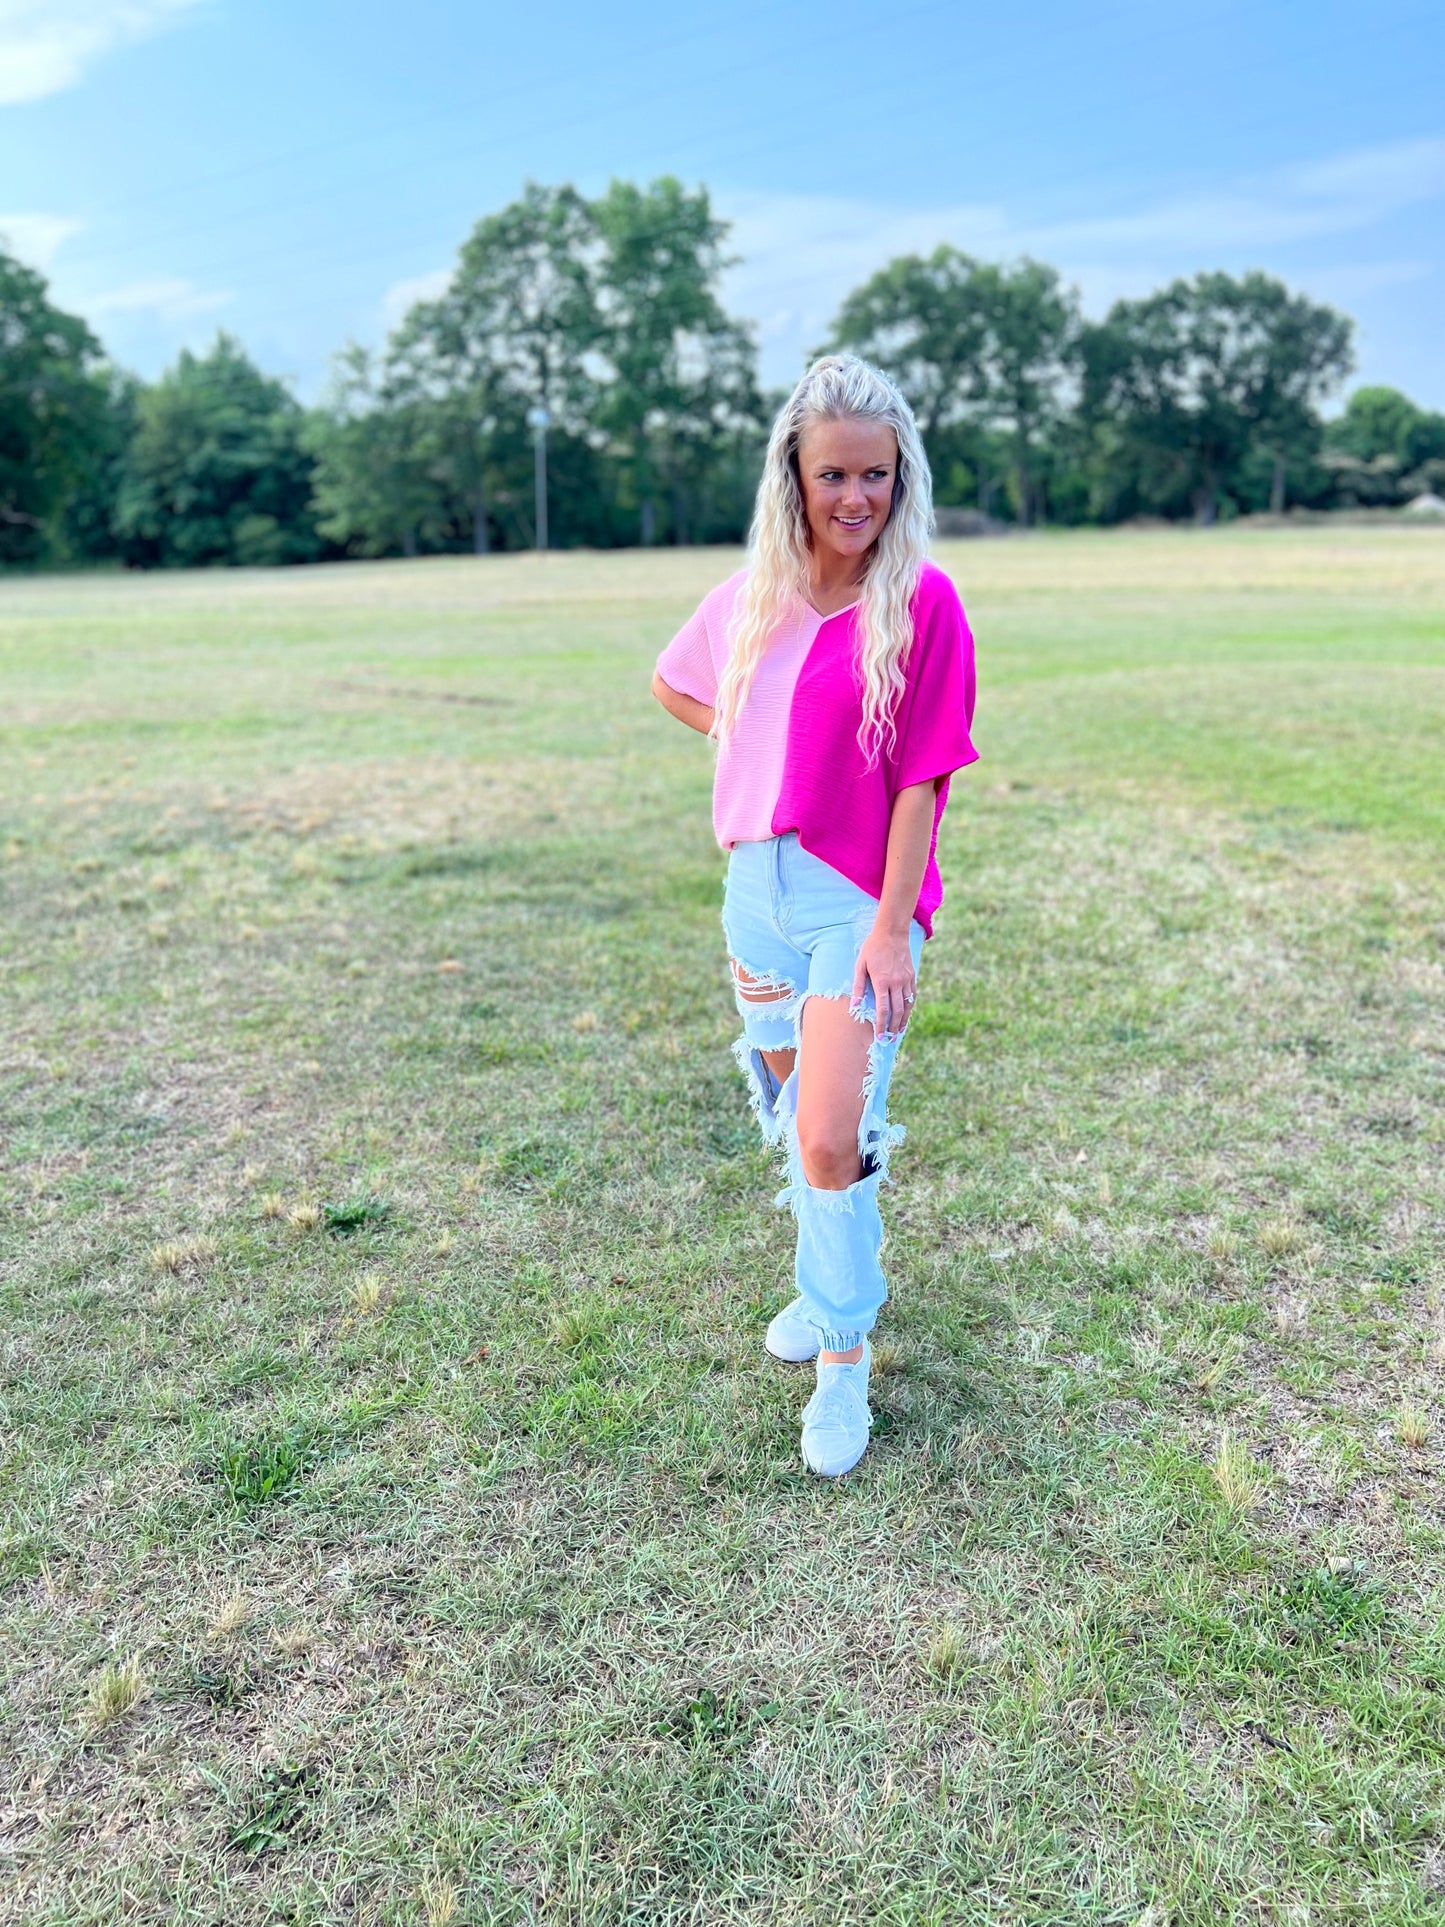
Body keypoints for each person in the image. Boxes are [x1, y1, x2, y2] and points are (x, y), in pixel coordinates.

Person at [651, 354, 978, 1478]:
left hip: (856, 906)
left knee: (831, 1136)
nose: (855, 497)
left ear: (901, 477)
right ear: (791, 474)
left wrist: (891, 929)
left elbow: (922, 778)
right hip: (756, 894)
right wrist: (742, 742)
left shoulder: (922, 602)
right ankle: (821, 1279)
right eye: (831, 472)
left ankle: (844, 1351)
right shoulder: (750, 598)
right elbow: (674, 681)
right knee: (795, 1124)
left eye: (876, 476)